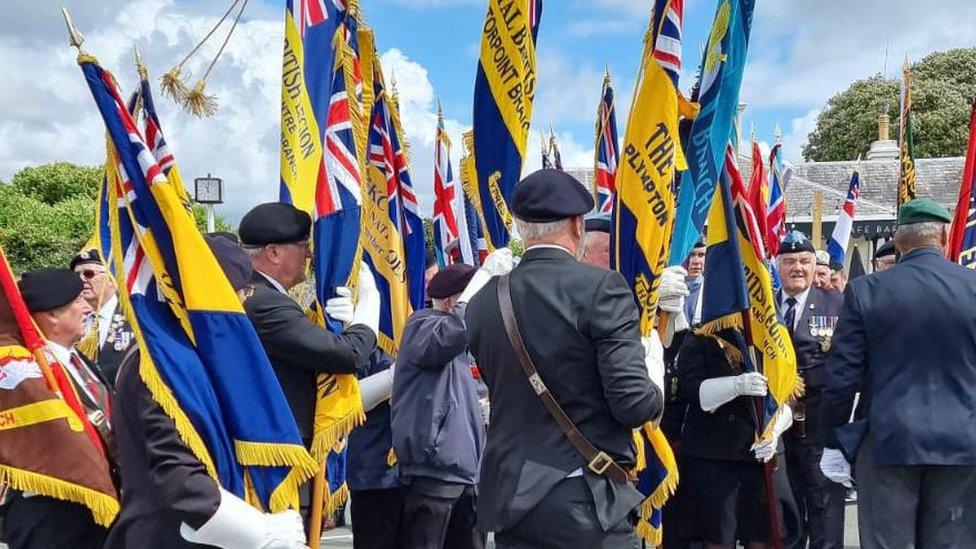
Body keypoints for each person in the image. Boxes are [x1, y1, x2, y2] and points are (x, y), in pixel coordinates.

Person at [465, 169, 665, 548]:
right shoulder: (602, 288)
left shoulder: (483, 301)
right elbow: (634, 405)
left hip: (512, 501)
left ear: (521, 227)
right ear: (577, 225)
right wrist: (653, 367)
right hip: (585, 499)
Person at [105, 234, 307, 549]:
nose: (243, 303)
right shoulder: (162, 366)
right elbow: (178, 477)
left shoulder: (191, 357)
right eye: (241, 292)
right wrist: (260, 531)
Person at [820, 198, 976, 547]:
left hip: (889, 441)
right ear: (945, 237)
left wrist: (832, 442)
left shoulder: (865, 291)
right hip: (962, 441)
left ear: (899, 242)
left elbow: (842, 379)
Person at [238, 202, 379, 446]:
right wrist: (369, 303)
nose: (310, 254)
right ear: (273, 252)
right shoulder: (265, 303)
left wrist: (321, 312)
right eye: (303, 245)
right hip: (279, 448)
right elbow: (349, 355)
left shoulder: (256, 294)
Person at [393, 262, 503, 549]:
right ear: (453, 301)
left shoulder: (462, 343)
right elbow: (445, 339)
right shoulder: (423, 323)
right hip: (435, 474)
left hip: (467, 475)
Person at [3, 268, 114, 548]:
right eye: (77, 300)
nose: (87, 307)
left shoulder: (77, 360)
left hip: (97, 517)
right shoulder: (28, 374)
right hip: (52, 522)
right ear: (53, 314)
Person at [675, 329, 794, 549]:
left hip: (762, 457)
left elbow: (790, 392)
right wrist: (736, 385)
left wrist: (774, 432)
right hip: (715, 459)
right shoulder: (701, 335)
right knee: (718, 540)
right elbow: (691, 389)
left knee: (764, 540)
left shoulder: (771, 330)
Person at [775, 232, 845, 549]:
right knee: (784, 509)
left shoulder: (837, 303)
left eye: (804, 261)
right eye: (789, 262)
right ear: (777, 265)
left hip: (818, 423)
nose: (798, 268)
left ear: (815, 265)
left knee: (824, 508)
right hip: (776, 428)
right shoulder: (761, 305)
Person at [347, 349, 402, 549]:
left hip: (419, 468)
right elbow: (347, 397)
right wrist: (393, 378)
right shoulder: (362, 331)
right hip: (374, 470)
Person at [71, 249, 135, 387]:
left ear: (111, 279)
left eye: (89, 274)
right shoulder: (68, 317)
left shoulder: (133, 316)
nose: (81, 279)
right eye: (76, 275)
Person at [684, 239, 706, 326]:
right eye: (691, 255)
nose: (696, 262)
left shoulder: (713, 291)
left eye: (701, 255)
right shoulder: (666, 287)